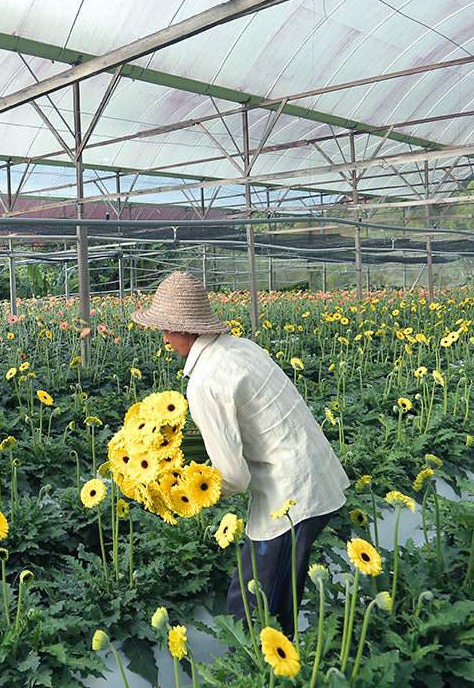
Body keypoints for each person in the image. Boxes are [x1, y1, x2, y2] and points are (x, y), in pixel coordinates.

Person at [133, 271, 348, 635]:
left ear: (187, 329)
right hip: (309, 477)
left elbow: (233, 475)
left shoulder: (205, 382)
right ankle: (280, 669)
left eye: (167, 329)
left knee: (250, 611)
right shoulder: (238, 347)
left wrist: (182, 494)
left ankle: (256, 672)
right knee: (275, 604)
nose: (165, 339)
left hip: (291, 498)